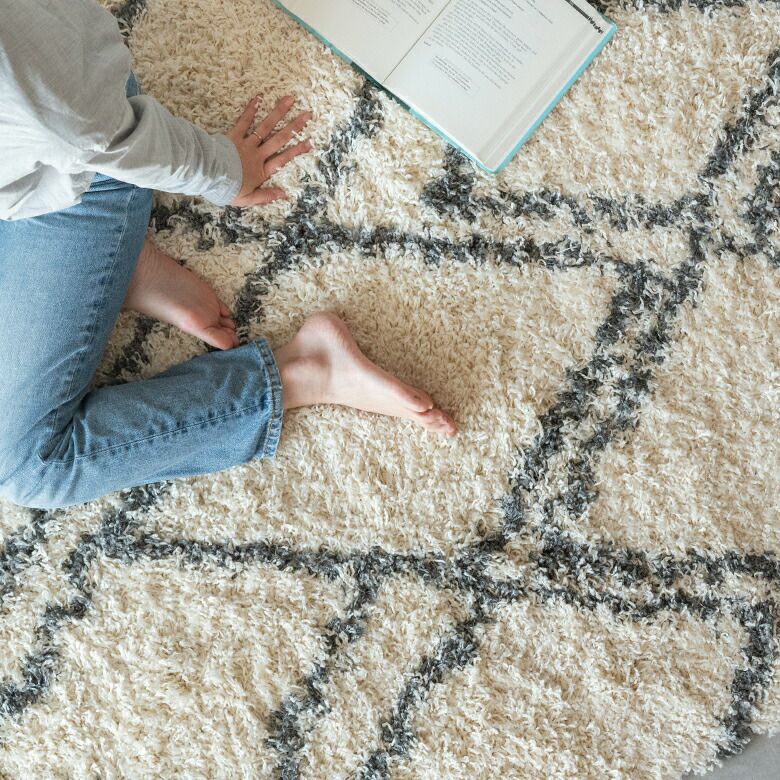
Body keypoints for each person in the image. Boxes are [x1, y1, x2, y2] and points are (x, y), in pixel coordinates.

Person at [0, 0, 456, 510]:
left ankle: (306, 368)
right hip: (28, 175)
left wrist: (224, 170)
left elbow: (96, 130)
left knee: (30, 466)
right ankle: (106, 266)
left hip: (77, 176)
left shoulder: (29, 91)